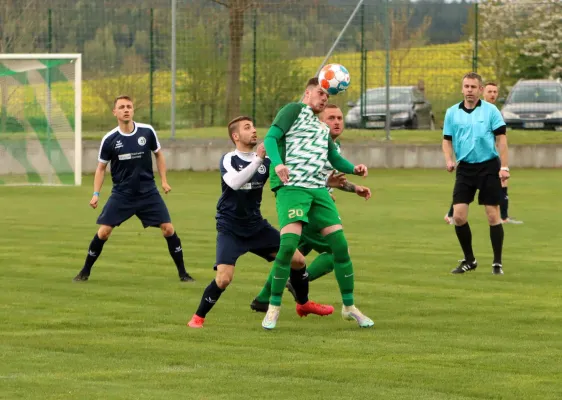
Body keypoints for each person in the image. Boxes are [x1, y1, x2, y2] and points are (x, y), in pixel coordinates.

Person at [187, 116, 334, 328]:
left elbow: (294, 177)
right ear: (236, 136)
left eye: (254, 126)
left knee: (298, 260)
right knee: (224, 279)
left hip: (257, 227)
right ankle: (197, 318)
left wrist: (329, 183)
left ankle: (303, 304)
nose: (254, 131)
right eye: (248, 128)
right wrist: (257, 159)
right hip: (230, 228)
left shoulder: (267, 161)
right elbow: (235, 183)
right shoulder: (229, 159)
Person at [260, 78, 375, 330]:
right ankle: (273, 307)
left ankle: (349, 307)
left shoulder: (321, 127)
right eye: (321, 93)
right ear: (308, 92)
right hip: (293, 187)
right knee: (289, 245)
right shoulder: (293, 110)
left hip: (318, 190)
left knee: (340, 246)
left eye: (328, 95)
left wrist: (353, 168)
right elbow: (270, 139)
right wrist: (278, 163)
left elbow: (333, 157)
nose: (324, 99)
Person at [73, 95, 194, 282]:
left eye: (129, 106)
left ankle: (183, 274)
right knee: (104, 232)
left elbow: (159, 155)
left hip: (148, 192)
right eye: (121, 107)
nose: (126, 109)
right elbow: (101, 168)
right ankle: (85, 271)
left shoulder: (147, 132)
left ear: (133, 110)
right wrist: (96, 194)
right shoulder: (109, 139)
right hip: (122, 194)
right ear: (115, 112)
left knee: (168, 229)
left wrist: (164, 180)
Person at [442, 73, 509, 275]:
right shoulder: (452, 113)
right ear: (462, 89)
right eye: (466, 86)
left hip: (488, 167)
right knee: (459, 216)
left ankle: (497, 262)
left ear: (480, 90)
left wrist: (504, 167)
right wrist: (448, 159)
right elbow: (447, 139)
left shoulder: (491, 111)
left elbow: (501, 139)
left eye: (473, 86)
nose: (469, 90)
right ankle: (469, 260)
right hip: (465, 169)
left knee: (492, 215)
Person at [444, 82, 522, 225]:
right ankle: (451, 215)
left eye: (495, 92)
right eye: (490, 91)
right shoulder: (474, 110)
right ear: (482, 92)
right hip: (472, 162)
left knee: (502, 185)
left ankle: (503, 217)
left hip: (489, 161)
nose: (492, 94)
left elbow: (500, 136)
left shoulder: (493, 111)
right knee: (464, 191)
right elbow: (450, 137)